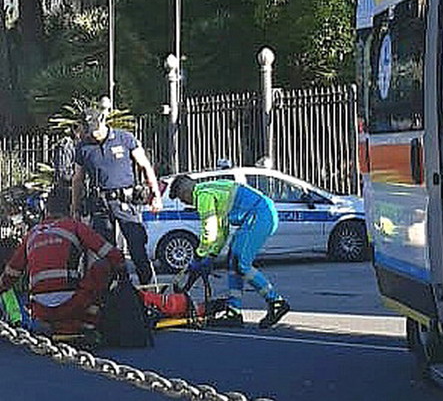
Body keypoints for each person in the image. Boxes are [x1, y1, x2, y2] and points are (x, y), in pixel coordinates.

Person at [169, 175, 290, 328]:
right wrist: (212, 255)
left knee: (241, 263)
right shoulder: (212, 190)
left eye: (180, 199)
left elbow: (210, 230)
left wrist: (200, 255)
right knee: (233, 262)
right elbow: (222, 232)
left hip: (259, 215)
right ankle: (234, 311)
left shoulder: (202, 195)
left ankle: (276, 301)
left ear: (184, 192)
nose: (183, 202)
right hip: (260, 214)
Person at [0, 188, 125, 335]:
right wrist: (121, 275)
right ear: (70, 209)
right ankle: (88, 324)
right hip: (72, 305)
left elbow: (11, 273)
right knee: (102, 267)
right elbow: (113, 256)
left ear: (46, 210)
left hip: (40, 310)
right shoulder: (74, 226)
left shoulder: (32, 234)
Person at [71, 104, 162, 285]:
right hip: (100, 204)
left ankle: (150, 289)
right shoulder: (83, 147)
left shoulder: (124, 138)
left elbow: (145, 166)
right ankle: (115, 292)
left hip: (125, 201)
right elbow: (77, 179)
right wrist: (75, 208)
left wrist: (155, 194)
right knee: (105, 252)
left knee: (137, 248)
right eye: (90, 130)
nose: (93, 134)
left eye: (96, 129)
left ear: (103, 121)